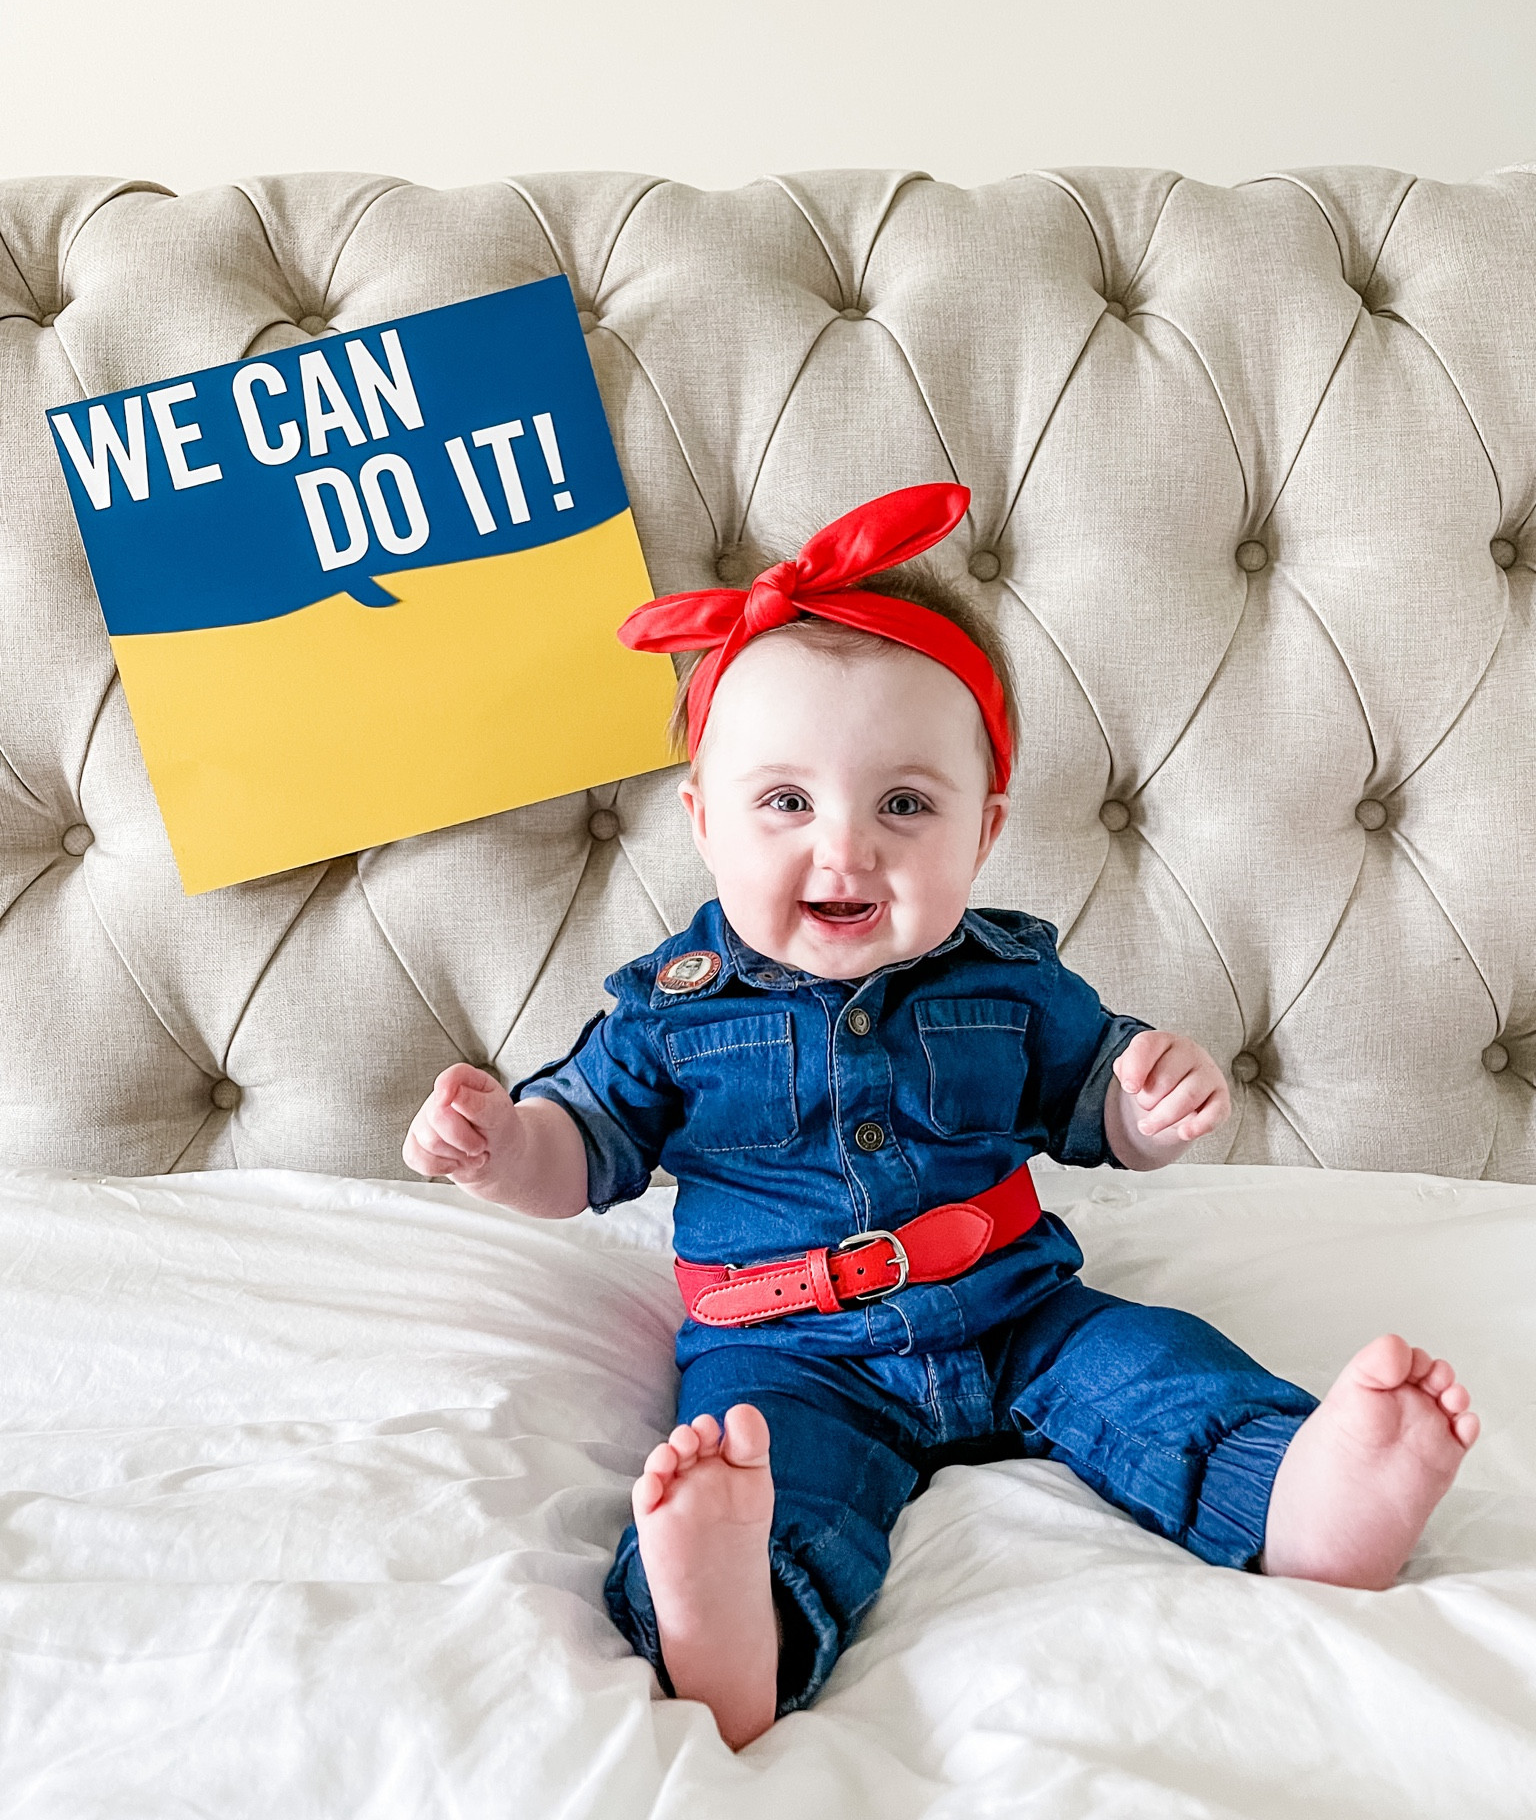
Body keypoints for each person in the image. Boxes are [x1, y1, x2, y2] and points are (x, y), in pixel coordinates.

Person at [403, 484, 1479, 1751]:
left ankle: (1301, 1495)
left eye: (904, 804)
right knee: (768, 1469)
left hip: (1017, 1310)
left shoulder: (1011, 983)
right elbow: (579, 1148)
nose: (846, 851)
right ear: (704, 822)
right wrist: (498, 1146)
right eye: (786, 803)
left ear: (986, 827)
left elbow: (1095, 1107)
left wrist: (1152, 1101)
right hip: (789, 1348)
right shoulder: (672, 1010)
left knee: (1156, 1368)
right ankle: (732, 1619)